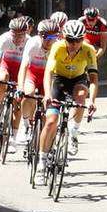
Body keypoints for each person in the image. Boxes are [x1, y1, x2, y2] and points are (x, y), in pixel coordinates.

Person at [36, 19, 98, 184]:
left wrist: (92, 100)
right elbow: (48, 72)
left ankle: (73, 132)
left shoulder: (88, 50)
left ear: (83, 39)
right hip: (59, 79)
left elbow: (93, 79)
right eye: (70, 40)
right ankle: (41, 163)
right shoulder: (57, 47)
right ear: (64, 38)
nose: (74, 44)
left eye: (78, 40)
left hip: (78, 79)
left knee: (81, 95)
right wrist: (47, 93)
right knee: (51, 121)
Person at [17, 17, 60, 129]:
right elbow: (24, 66)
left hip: (50, 77)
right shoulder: (33, 43)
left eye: (53, 37)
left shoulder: (58, 46)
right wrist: (20, 87)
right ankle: (26, 125)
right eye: (46, 37)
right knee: (28, 94)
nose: (49, 41)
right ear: (40, 35)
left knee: (49, 108)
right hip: (33, 74)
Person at [0, 16, 29, 151]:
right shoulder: (4, 39)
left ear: (26, 33)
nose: (18, 39)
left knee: (18, 103)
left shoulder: (29, 42)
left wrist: (22, 86)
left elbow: (27, 67)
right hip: (6, 66)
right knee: (2, 78)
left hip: (20, 70)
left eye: (21, 35)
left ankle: (13, 138)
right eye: (15, 35)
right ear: (10, 32)